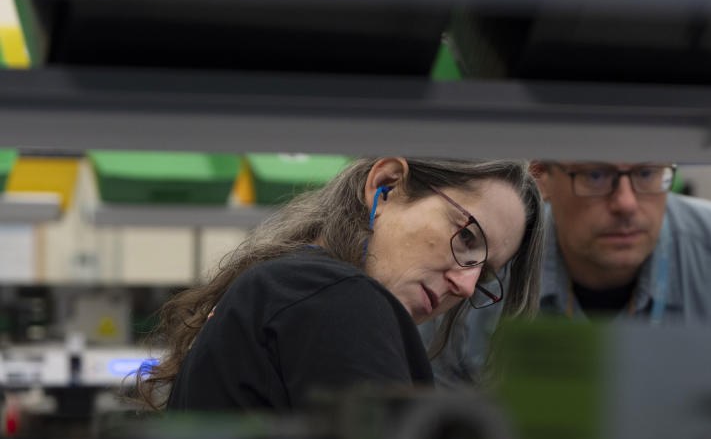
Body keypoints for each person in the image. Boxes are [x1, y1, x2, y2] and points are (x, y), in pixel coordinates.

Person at [135, 157, 545, 411]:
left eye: (485, 273)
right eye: (468, 238)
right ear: (385, 185)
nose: (467, 285)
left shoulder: (289, 289)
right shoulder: (339, 300)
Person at [423, 160, 711, 384]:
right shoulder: (479, 267)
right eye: (595, 175)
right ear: (541, 178)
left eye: (647, 172)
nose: (626, 203)